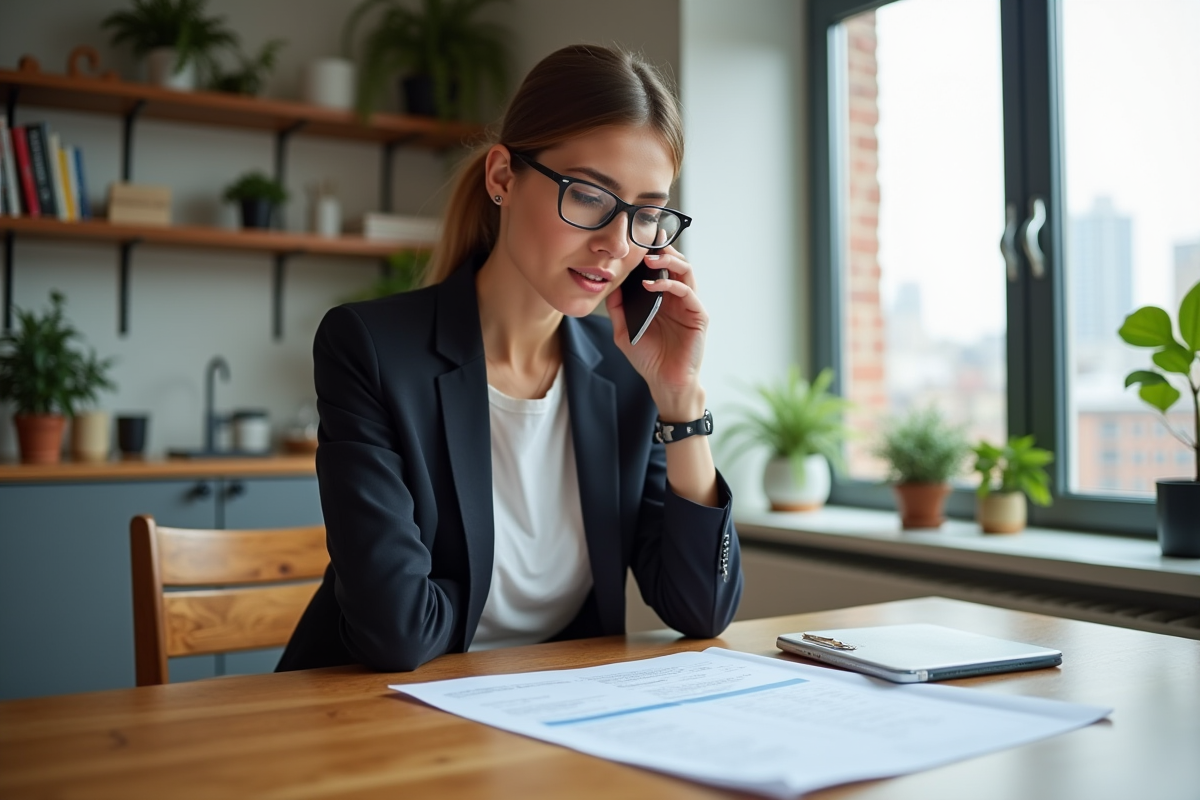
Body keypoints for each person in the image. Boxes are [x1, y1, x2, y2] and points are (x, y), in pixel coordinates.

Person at [278, 44, 743, 673]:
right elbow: (395, 632)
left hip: (543, 710)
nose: (616, 244)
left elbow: (701, 608)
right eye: (589, 196)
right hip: (367, 710)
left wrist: (681, 399)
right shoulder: (372, 349)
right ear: (502, 177)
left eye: (647, 214)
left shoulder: (628, 372)